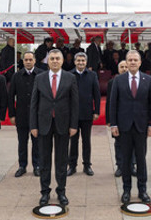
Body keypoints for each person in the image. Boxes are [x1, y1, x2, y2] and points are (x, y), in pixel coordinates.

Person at [30, 49, 79, 207]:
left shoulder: (70, 78)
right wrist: (33, 125)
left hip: (63, 125)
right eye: (52, 58)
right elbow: (34, 104)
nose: (55, 61)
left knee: (61, 160)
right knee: (44, 160)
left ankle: (61, 191)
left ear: (62, 60)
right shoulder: (39, 78)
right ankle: (44, 192)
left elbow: (74, 103)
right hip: (43, 125)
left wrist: (73, 125)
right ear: (47, 61)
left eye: (58, 58)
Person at [110, 50, 151, 204]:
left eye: (135, 60)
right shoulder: (118, 80)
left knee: (141, 160)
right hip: (123, 126)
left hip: (142, 126)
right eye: (129, 60)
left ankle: (142, 190)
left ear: (140, 62)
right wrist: (114, 124)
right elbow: (113, 103)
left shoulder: (148, 80)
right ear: (126, 62)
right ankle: (126, 190)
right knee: (125, 160)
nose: (132, 62)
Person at [8, 52, 41, 177]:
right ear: (23, 61)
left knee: (36, 143)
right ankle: (22, 166)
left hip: (36, 116)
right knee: (22, 142)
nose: (28, 62)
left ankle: (37, 165)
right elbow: (10, 96)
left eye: (30, 59)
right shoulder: (16, 76)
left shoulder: (41, 74)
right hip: (21, 115)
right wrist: (11, 114)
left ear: (34, 60)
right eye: (26, 60)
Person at [68, 52, 101, 176]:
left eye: (83, 60)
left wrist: (96, 111)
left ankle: (87, 165)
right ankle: (72, 165)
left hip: (87, 113)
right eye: (78, 60)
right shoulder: (69, 75)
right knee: (73, 141)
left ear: (86, 62)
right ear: (75, 62)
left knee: (86, 141)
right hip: (73, 114)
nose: (81, 63)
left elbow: (97, 95)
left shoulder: (92, 75)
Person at [106, 60, 133, 177]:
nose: (124, 69)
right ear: (118, 69)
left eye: (126, 67)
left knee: (133, 144)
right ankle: (120, 166)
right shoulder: (113, 82)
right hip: (118, 118)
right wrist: (110, 120)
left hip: (133, 118)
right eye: (122, 67)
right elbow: (109, 102)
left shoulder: (134, 81)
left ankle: (132, 166)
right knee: (119, 143)